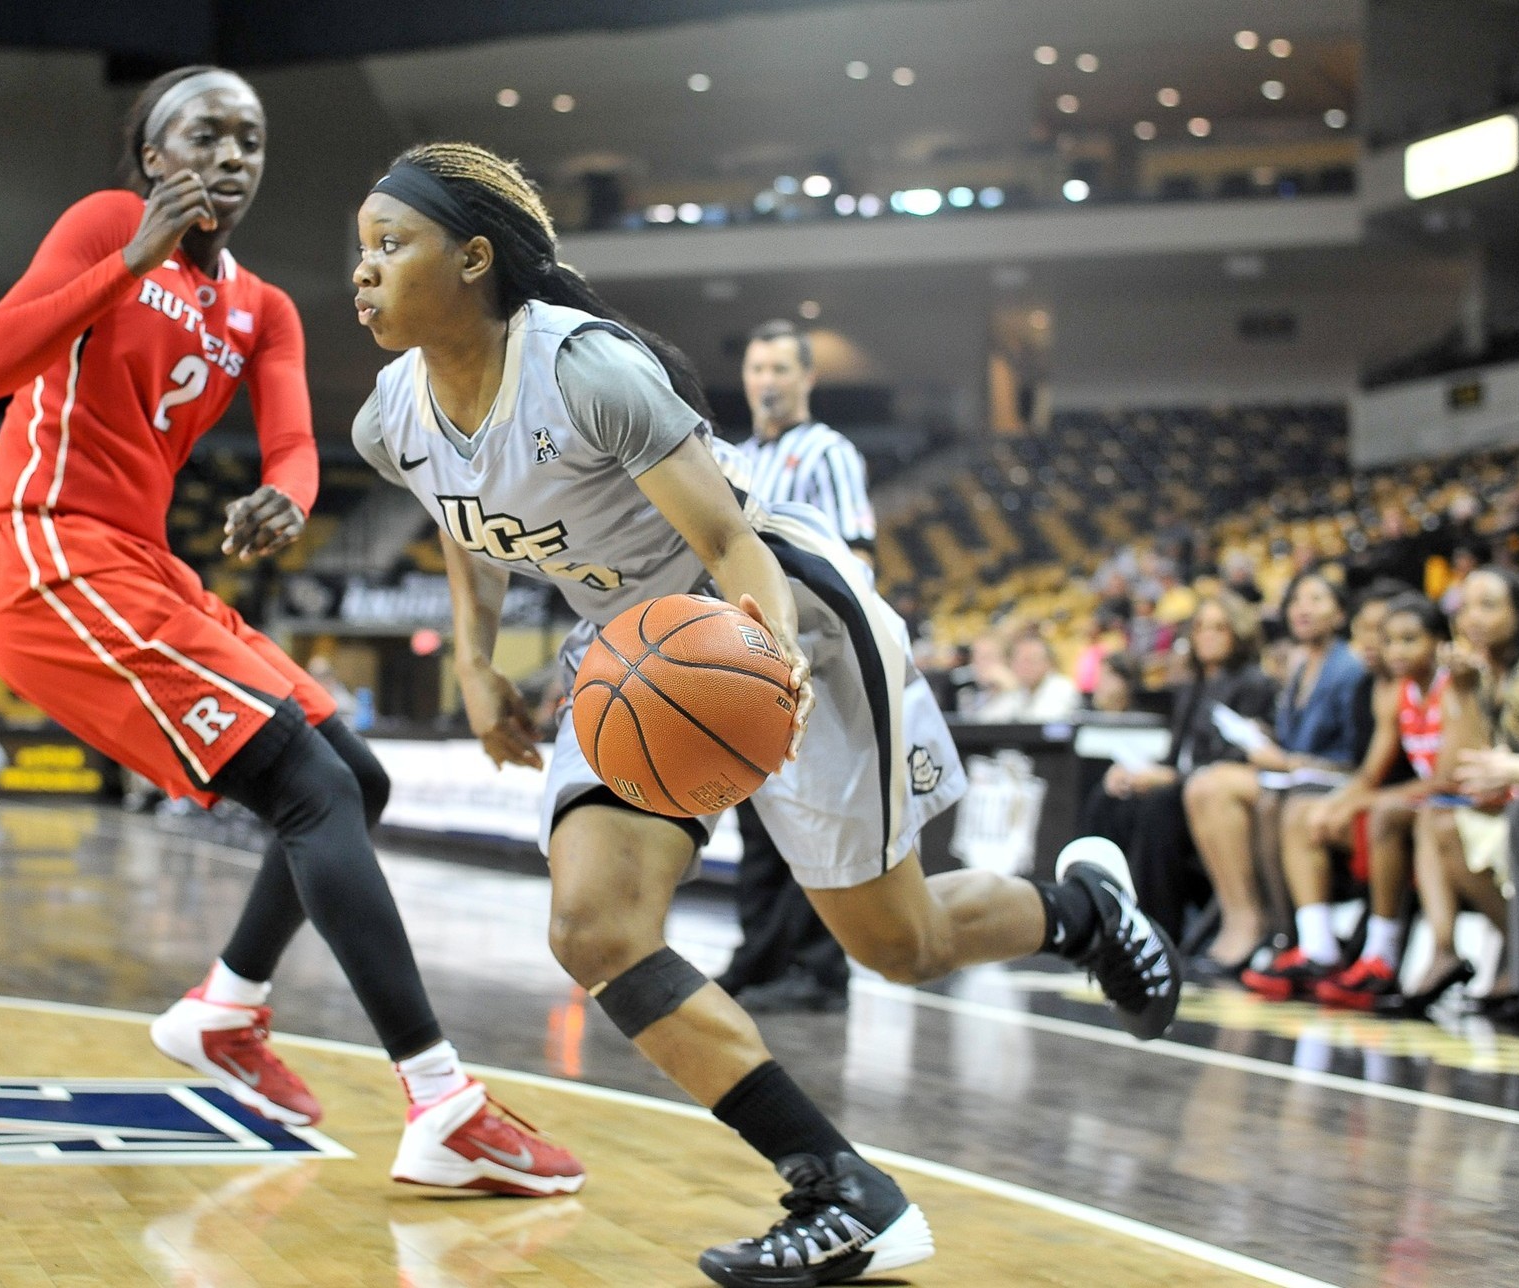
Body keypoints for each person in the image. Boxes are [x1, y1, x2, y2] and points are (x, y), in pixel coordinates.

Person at [348, 141, 1178, 1285]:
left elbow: (732, 539)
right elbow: (461, 507)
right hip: (635, 650)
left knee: (899, 944)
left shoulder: (583, 368)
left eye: (391, 244)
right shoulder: (390, 414)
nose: (365, 269)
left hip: (772, 611)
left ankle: (1081, 911)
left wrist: (769, 656)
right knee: (593, 928)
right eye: (360, 249)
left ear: (475, 257)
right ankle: (839, 1188)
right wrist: (478, 659)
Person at [0, 69, 578, 1198]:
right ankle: (441, 1100)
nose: (234, 153)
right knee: (311, 791)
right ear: (152, 156)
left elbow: (292, 444)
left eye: (251, 137)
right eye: (206, 132)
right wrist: (128, 259)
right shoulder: (107, 226)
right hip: (45, 552)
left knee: (357, 774)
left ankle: (224, 1010)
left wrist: (289, 496)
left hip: (141, 563)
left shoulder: (263, 306)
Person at [709, 318, 872, 1016]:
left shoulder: (828, 453)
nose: (767, 381)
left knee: (812, 818)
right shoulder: (735, 460)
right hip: (752, 662)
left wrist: (823, 641)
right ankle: (760, 954)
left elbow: (856, 558)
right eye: (757, 368)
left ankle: (817, 969)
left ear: (807, 378)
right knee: (759, 817)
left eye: (781, 369)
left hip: (813, 660)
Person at [1250, 594, 1446, 1006]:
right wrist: (1339, 805)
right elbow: (1370, 774)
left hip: (1431, 807)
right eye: (1375, 634)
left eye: (1397, 637)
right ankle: (1317, 946)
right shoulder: (1388, 689)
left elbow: (1442, 778)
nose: (1383, 646)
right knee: (1303, 813)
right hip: (1410, 804)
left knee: (1381, 816)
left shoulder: (1440, 684)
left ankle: (1381, 955)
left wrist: (1356, 803)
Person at [1407, 566, 1519, 1013]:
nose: (1473, 619)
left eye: (1489, 605)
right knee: (1432, 814)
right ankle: (1445, 952)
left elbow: (1497, 766)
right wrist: (1461, 694)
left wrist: (1464, 696)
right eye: (1465, 608)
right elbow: (1457, 774)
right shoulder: (1482, 673)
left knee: (1444, 823)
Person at [1184, 570, 1364, 973]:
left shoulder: (1348, 668)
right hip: (1294, 777)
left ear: (1339, 613)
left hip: (1327, 782)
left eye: (1316, 599)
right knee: (1202, 786)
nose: (1303, 608)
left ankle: (1258, 922)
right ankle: (1238, 914)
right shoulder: (1302, 666)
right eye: (1297, 600)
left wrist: (1291, 762)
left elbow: (1357, 755)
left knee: (1216, 786)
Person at [1081, 593, 1276, 946]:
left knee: (1160, 804)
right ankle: (1101, 912)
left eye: (1219, 627)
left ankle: (1156, 930)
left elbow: (1242, 757)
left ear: (1238, 633)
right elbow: (1175, 758)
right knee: (1109, 795)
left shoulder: (1254, 684)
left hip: (1215, 794)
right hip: (1182, 783)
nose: (1208, 635)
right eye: (1200, 627)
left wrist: (1172, 777)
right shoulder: (1191, 687)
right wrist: (1135, 772)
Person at [973, 630, 1082, 722]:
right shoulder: (1020, 689)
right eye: (1019, 661)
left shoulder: (1061, 687)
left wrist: (1011, 689)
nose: (1024, 667)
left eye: (1031, 660)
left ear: (1048, 663)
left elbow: (1041, 723)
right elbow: (986, 721)